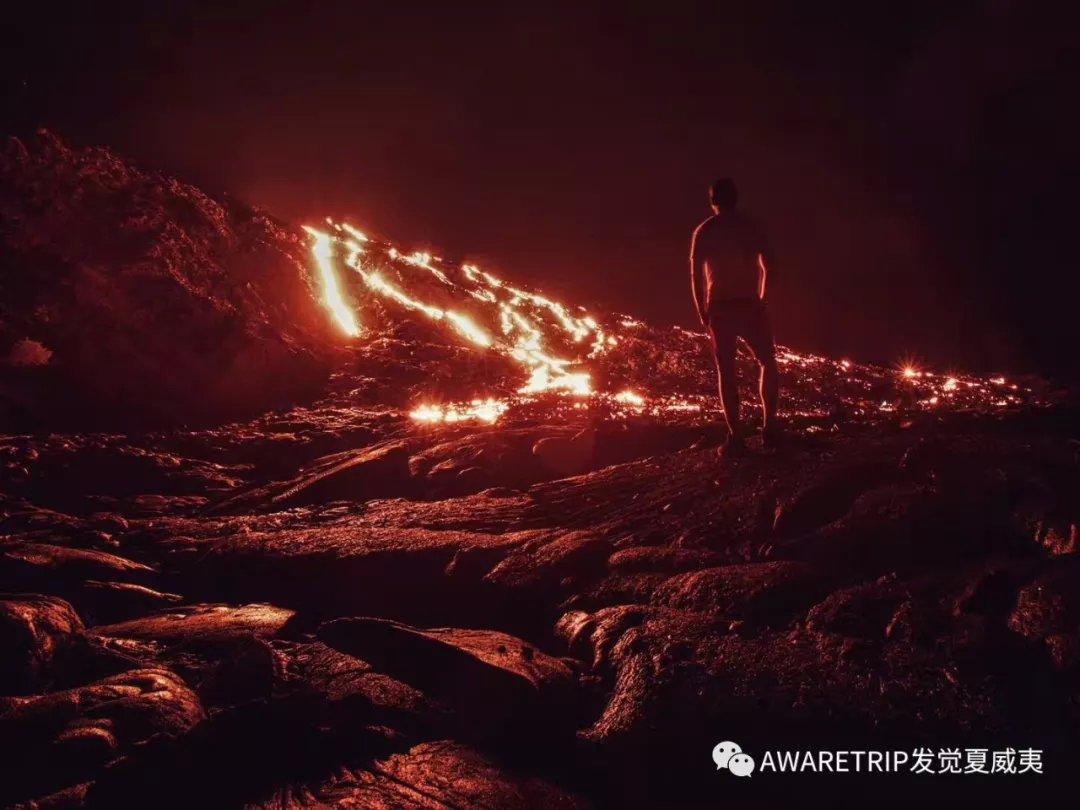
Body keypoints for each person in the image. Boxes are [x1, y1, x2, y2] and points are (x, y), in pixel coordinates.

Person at [690, 178, 779, 455]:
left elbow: (695, 277)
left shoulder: (705, 231)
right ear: (736, 199)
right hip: (750, 304)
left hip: (720, 308)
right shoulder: (752, 227)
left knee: (726, 372)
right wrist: (762, 300)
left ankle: (736, 437)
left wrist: (701, 310)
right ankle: (770, 428)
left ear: (712, 201)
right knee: (768, 361)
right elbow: (769, 266)